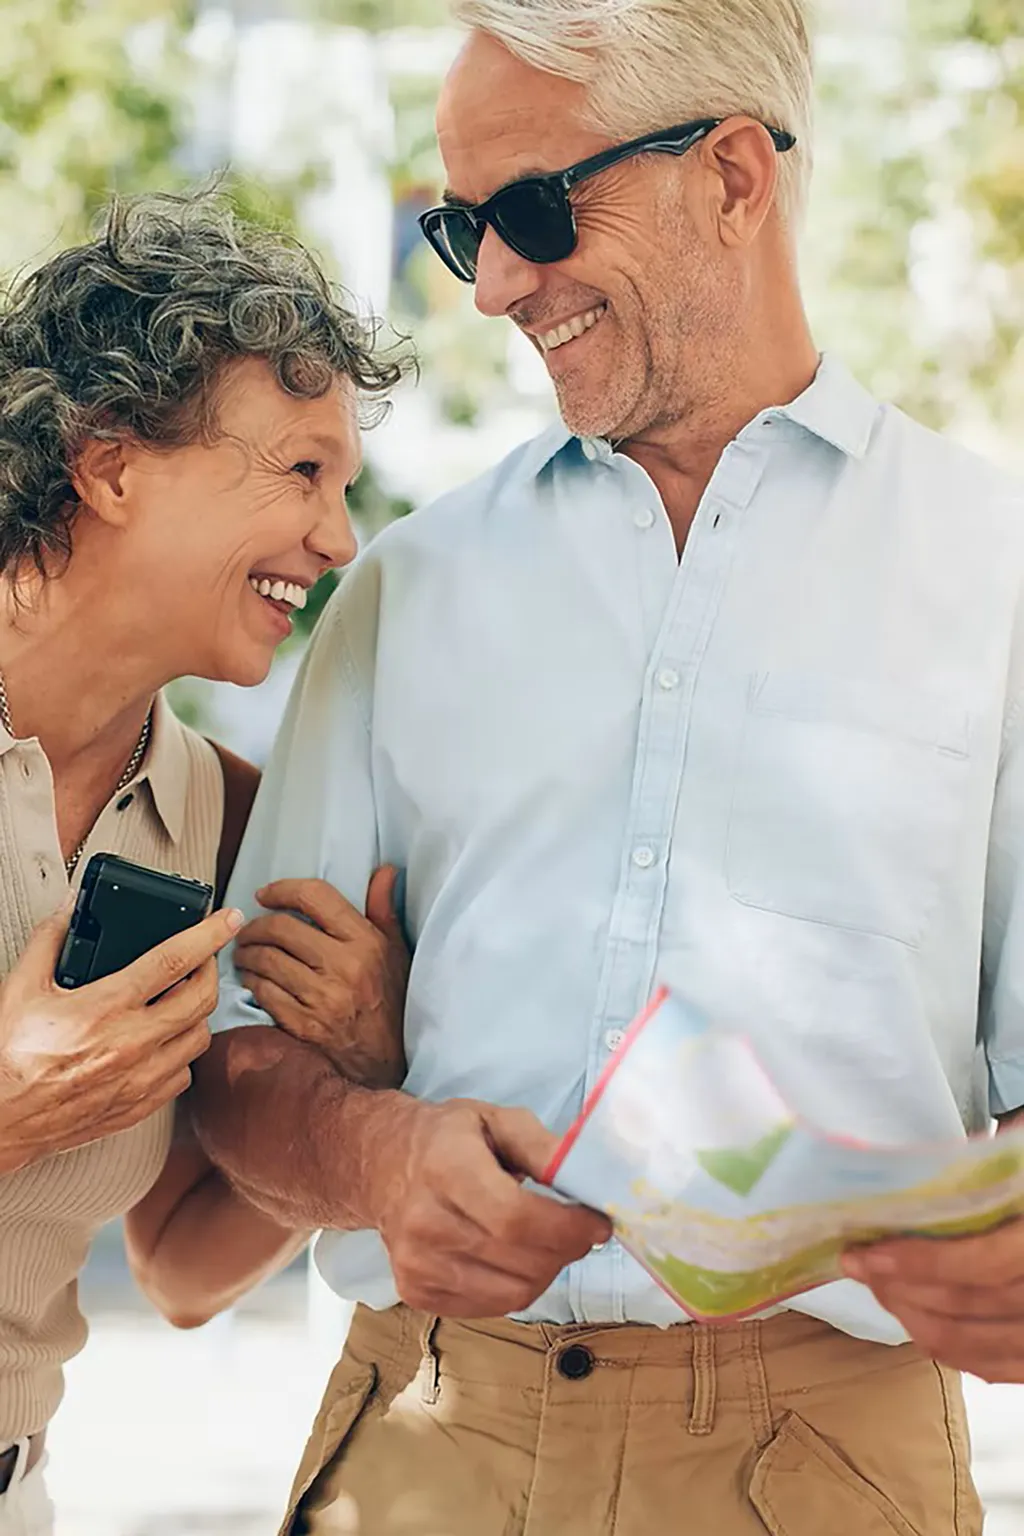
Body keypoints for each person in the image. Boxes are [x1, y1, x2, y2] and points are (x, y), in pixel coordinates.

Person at [193, 0, 1024, 1531]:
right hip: (426, 1436)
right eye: (463, 231)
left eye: (532, 211)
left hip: (827, 1465)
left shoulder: (1001, 574)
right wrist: (375, 1153)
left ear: (731, 177)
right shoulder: (407, 584)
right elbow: (234, 1073)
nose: (499, 283)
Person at [0, 190, 409, 1536]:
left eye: (343, 489)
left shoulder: (222, 822)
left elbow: (178, 1266)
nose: (338, 540)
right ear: (108, 465)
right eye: (300, 472)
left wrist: (355, 1068)